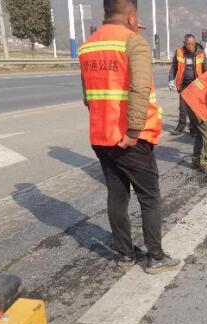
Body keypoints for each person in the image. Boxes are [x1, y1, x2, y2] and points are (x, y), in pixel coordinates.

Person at [79, 0, 180, 273]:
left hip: (101, 135)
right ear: (131, 14)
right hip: (129, 138)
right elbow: (139, 90)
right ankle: (156, 258)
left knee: (117, 195)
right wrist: (134, 131)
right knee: (149, 197)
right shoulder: (133, 43)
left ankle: (124, 254)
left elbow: (88, 96)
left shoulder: (88, 46)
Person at [168, 34, 207, 135]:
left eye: (192, 44)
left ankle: (193, 129)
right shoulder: (179, 52)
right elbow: (174, 67)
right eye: (188, 44)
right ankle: (180, 127)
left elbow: (206, 70)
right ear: (184, 43)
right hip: (183, 84)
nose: (190, 46)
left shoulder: (201, 53)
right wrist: (171, 80)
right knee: (183, 107)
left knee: (194, 108)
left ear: (195, 43)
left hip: (196, 85)